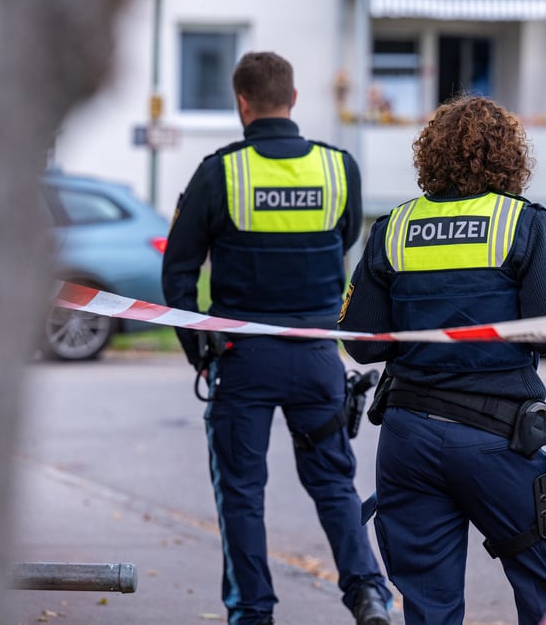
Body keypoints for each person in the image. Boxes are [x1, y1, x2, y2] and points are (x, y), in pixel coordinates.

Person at [162, 51, 392, 625]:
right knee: (335, 484)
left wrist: (202, 355)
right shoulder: (339, 168)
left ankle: (253, 612)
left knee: (241, 492)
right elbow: (344, 246)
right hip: (316, 357)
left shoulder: (220, 172)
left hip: (242, 363)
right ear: (293, 100)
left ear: (242, 103)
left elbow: (178, 275)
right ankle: (368, 596)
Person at [338, 95, 546, 625]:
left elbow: (361, 343)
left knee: (429, 607)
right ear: (509, 158)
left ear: (430, 157)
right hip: (498, 442)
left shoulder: (394, 228)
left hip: (409, 442)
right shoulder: (521, 224)